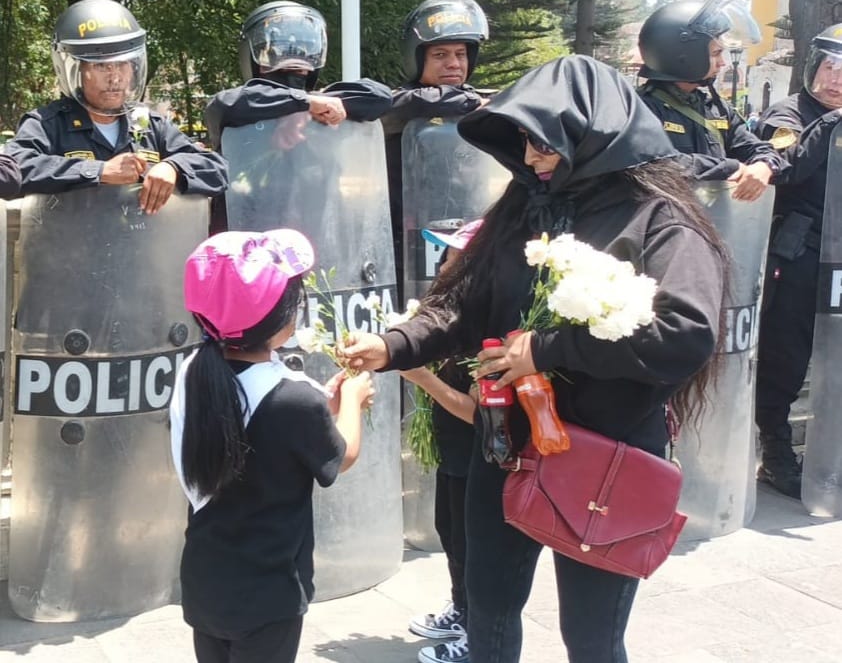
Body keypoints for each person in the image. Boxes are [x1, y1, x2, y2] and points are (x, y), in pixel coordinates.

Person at [340, 54, 729, 663]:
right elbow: (461, 305)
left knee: (592, 637)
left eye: (541, 139)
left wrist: (546, 349)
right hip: (506, 442)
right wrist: (392, 345)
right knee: (488, 609)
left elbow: (686, 333)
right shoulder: (523, 205)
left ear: (592, 130)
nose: (529, 155)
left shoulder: (662, 218)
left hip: (607, 455)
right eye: (520, 140)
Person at [169, 227, 375, 663]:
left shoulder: (193, 372)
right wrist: (352, 402)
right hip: (268, 589)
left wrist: (325, 406)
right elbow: (341, 456)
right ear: (281, 318)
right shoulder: (295, 398)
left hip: (205, 578)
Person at [6, 0, 228, 212]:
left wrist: (174, 168)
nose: (115, 78)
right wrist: (99, 171)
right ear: (76, 70)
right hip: (71, 248)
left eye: (122, 64)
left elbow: (216, 169)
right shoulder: (47, 124)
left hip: (140, 247)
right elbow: (14, 170)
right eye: (101, 66)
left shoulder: (151, 124)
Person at [752, 23, 842, 498]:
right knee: (785, 358)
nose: (837, 79)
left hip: (839, 256)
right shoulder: (787, 116)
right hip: (798, 254)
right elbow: (784, 171)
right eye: (830, 67)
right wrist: (830, 122)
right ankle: (776, 455)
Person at [403, 219, 483, 663]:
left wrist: (422, 378)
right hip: (452, 451)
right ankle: (462, 608)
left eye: (452, 255)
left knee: (474, 544)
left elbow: (477, 412)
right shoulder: (449, 315)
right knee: (450, 531)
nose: (443, 263)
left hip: (479, 456)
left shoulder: (487, 327)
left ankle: (478, 631)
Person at [380, 0, 490, 302]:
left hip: (467, 239)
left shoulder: (481, 106)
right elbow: (399, 104)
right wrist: (471, 102)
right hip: (407, 246)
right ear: (418, 59)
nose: (454, 63)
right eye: (440, 55)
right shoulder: (399, 106)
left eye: (461, 53)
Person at [637, 0, 786, 201]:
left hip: (714, 224)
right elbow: (660, 163)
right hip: (662, 224)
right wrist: (729, 167)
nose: (722, 63)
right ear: (685, 56)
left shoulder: (717, 108)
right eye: (716, 54)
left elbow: (756, 147)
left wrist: (764, 164)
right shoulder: (639, 109)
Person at [203, 0, 392, 149]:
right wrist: (305, 103)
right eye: (282, 68)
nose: (296, 73)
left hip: (317, 198)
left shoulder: (325, 106)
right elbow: (223, 104)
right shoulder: (240, 107)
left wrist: (315, 104)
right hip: (251, 198)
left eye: (301, 68)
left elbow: (380, 97)